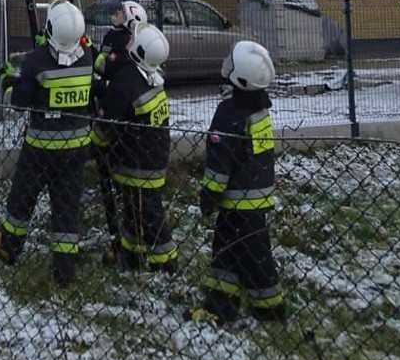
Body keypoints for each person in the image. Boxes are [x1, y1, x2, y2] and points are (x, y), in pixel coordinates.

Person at [0, 0, 93, 286]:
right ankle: (65, 271)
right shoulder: (87, 59)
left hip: (41, 150)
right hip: (77, 149)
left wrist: (7, 81)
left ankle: (9, 247)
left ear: (49, 29)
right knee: (67, 208)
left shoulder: (35, 62)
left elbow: (19, 103)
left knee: (22, 199)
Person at [193, 39, 286, 324]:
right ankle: (222, 305)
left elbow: (220, 160)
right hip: (257, 195)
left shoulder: (230, 113)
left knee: (252, 257)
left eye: (230, 61)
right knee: (230, 252)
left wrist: (209, 193)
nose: (225, 64)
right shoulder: (258, 108)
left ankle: (270, 310)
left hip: (237, 198)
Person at [96, 23, 179, 273]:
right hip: (153, 158)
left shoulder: (126, 80)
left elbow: (107, 123)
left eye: (134, 41)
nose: (129, 42)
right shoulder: (152, 79)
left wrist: (96, 146)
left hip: (135, 164)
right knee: (135, 212)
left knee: (149, 214)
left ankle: (167, 264)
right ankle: (132, 257)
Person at [91, 0, 148, 263]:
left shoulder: (127, 42)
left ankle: (121, 238)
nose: (114, 15)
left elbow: (109, 66)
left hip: (115, 111)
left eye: (119, 12)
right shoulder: (112, 36)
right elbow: (101, 61)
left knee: (116, 184)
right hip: (106, 104)